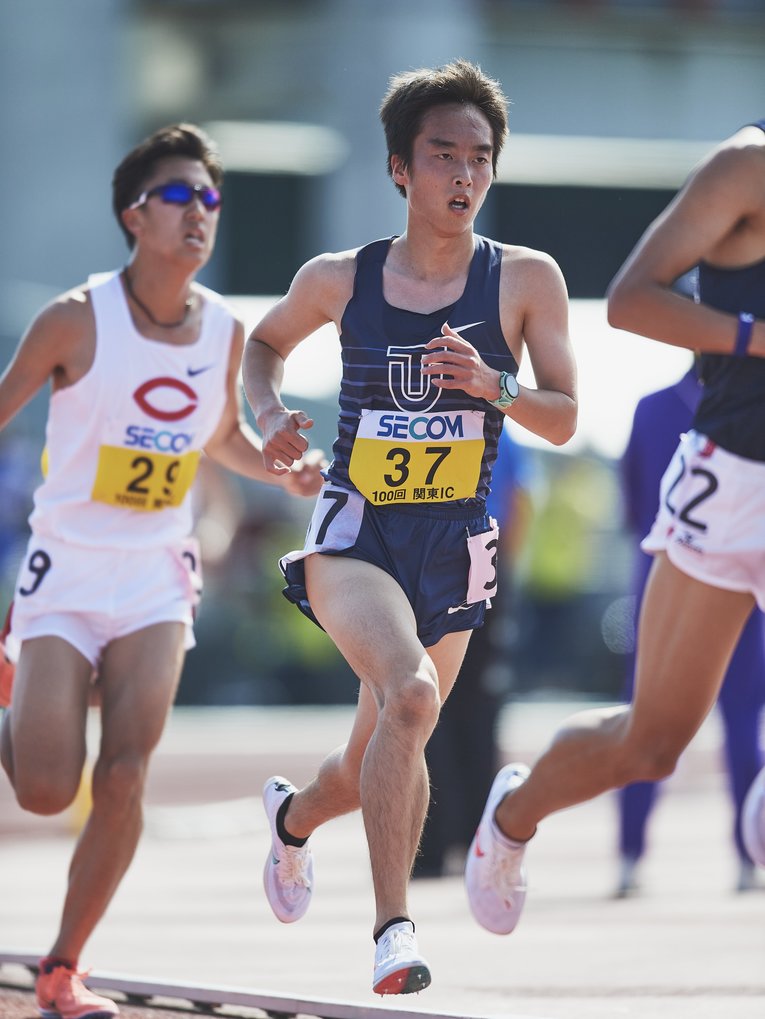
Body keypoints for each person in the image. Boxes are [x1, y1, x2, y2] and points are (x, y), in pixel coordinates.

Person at [241, 59, 577, 995]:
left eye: (479, 158)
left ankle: (293, 822)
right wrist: (267, 419)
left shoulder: (525, 279)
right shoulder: (340, 278)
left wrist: (494, 386)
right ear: (400, 168)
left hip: (453, 543)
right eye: (443, 156)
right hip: (359, 534)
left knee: (374, 756)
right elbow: (261, 347)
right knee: (415, 696)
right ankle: (394, 930)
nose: (463, 175)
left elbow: (563, 415)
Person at [0, 123, 323, 1019]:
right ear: (134, 214)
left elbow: (221, 438)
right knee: (43, 786)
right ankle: (19, 709)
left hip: (153, 577)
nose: (200, 214)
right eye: (181, 196)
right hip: (66, 571)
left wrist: (282, 468)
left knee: (128, 771)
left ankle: (64, 964)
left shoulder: (224, 329)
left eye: (211, 199)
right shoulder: (73, 318)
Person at [464, 118, 765, 938]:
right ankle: (513, 815)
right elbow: (632, 299)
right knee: (652, 742)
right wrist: (754, 339)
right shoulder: (746, 166)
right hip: (735, 478)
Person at [617, 363, 765, 896]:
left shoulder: (652, 406)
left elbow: (632, 503)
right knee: (735, 721)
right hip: (729, 580)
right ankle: (749, 857)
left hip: (670, 576)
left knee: (644, 719)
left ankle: (630, 857)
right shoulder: (675, 406)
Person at [413, 422, 532, 879]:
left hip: (429, 566)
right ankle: (470, 837)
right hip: (481, 568)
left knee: (424, 703)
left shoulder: (419, 422)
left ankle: (430, 843)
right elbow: (518, 505)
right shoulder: (503, 432)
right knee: (468, 706)